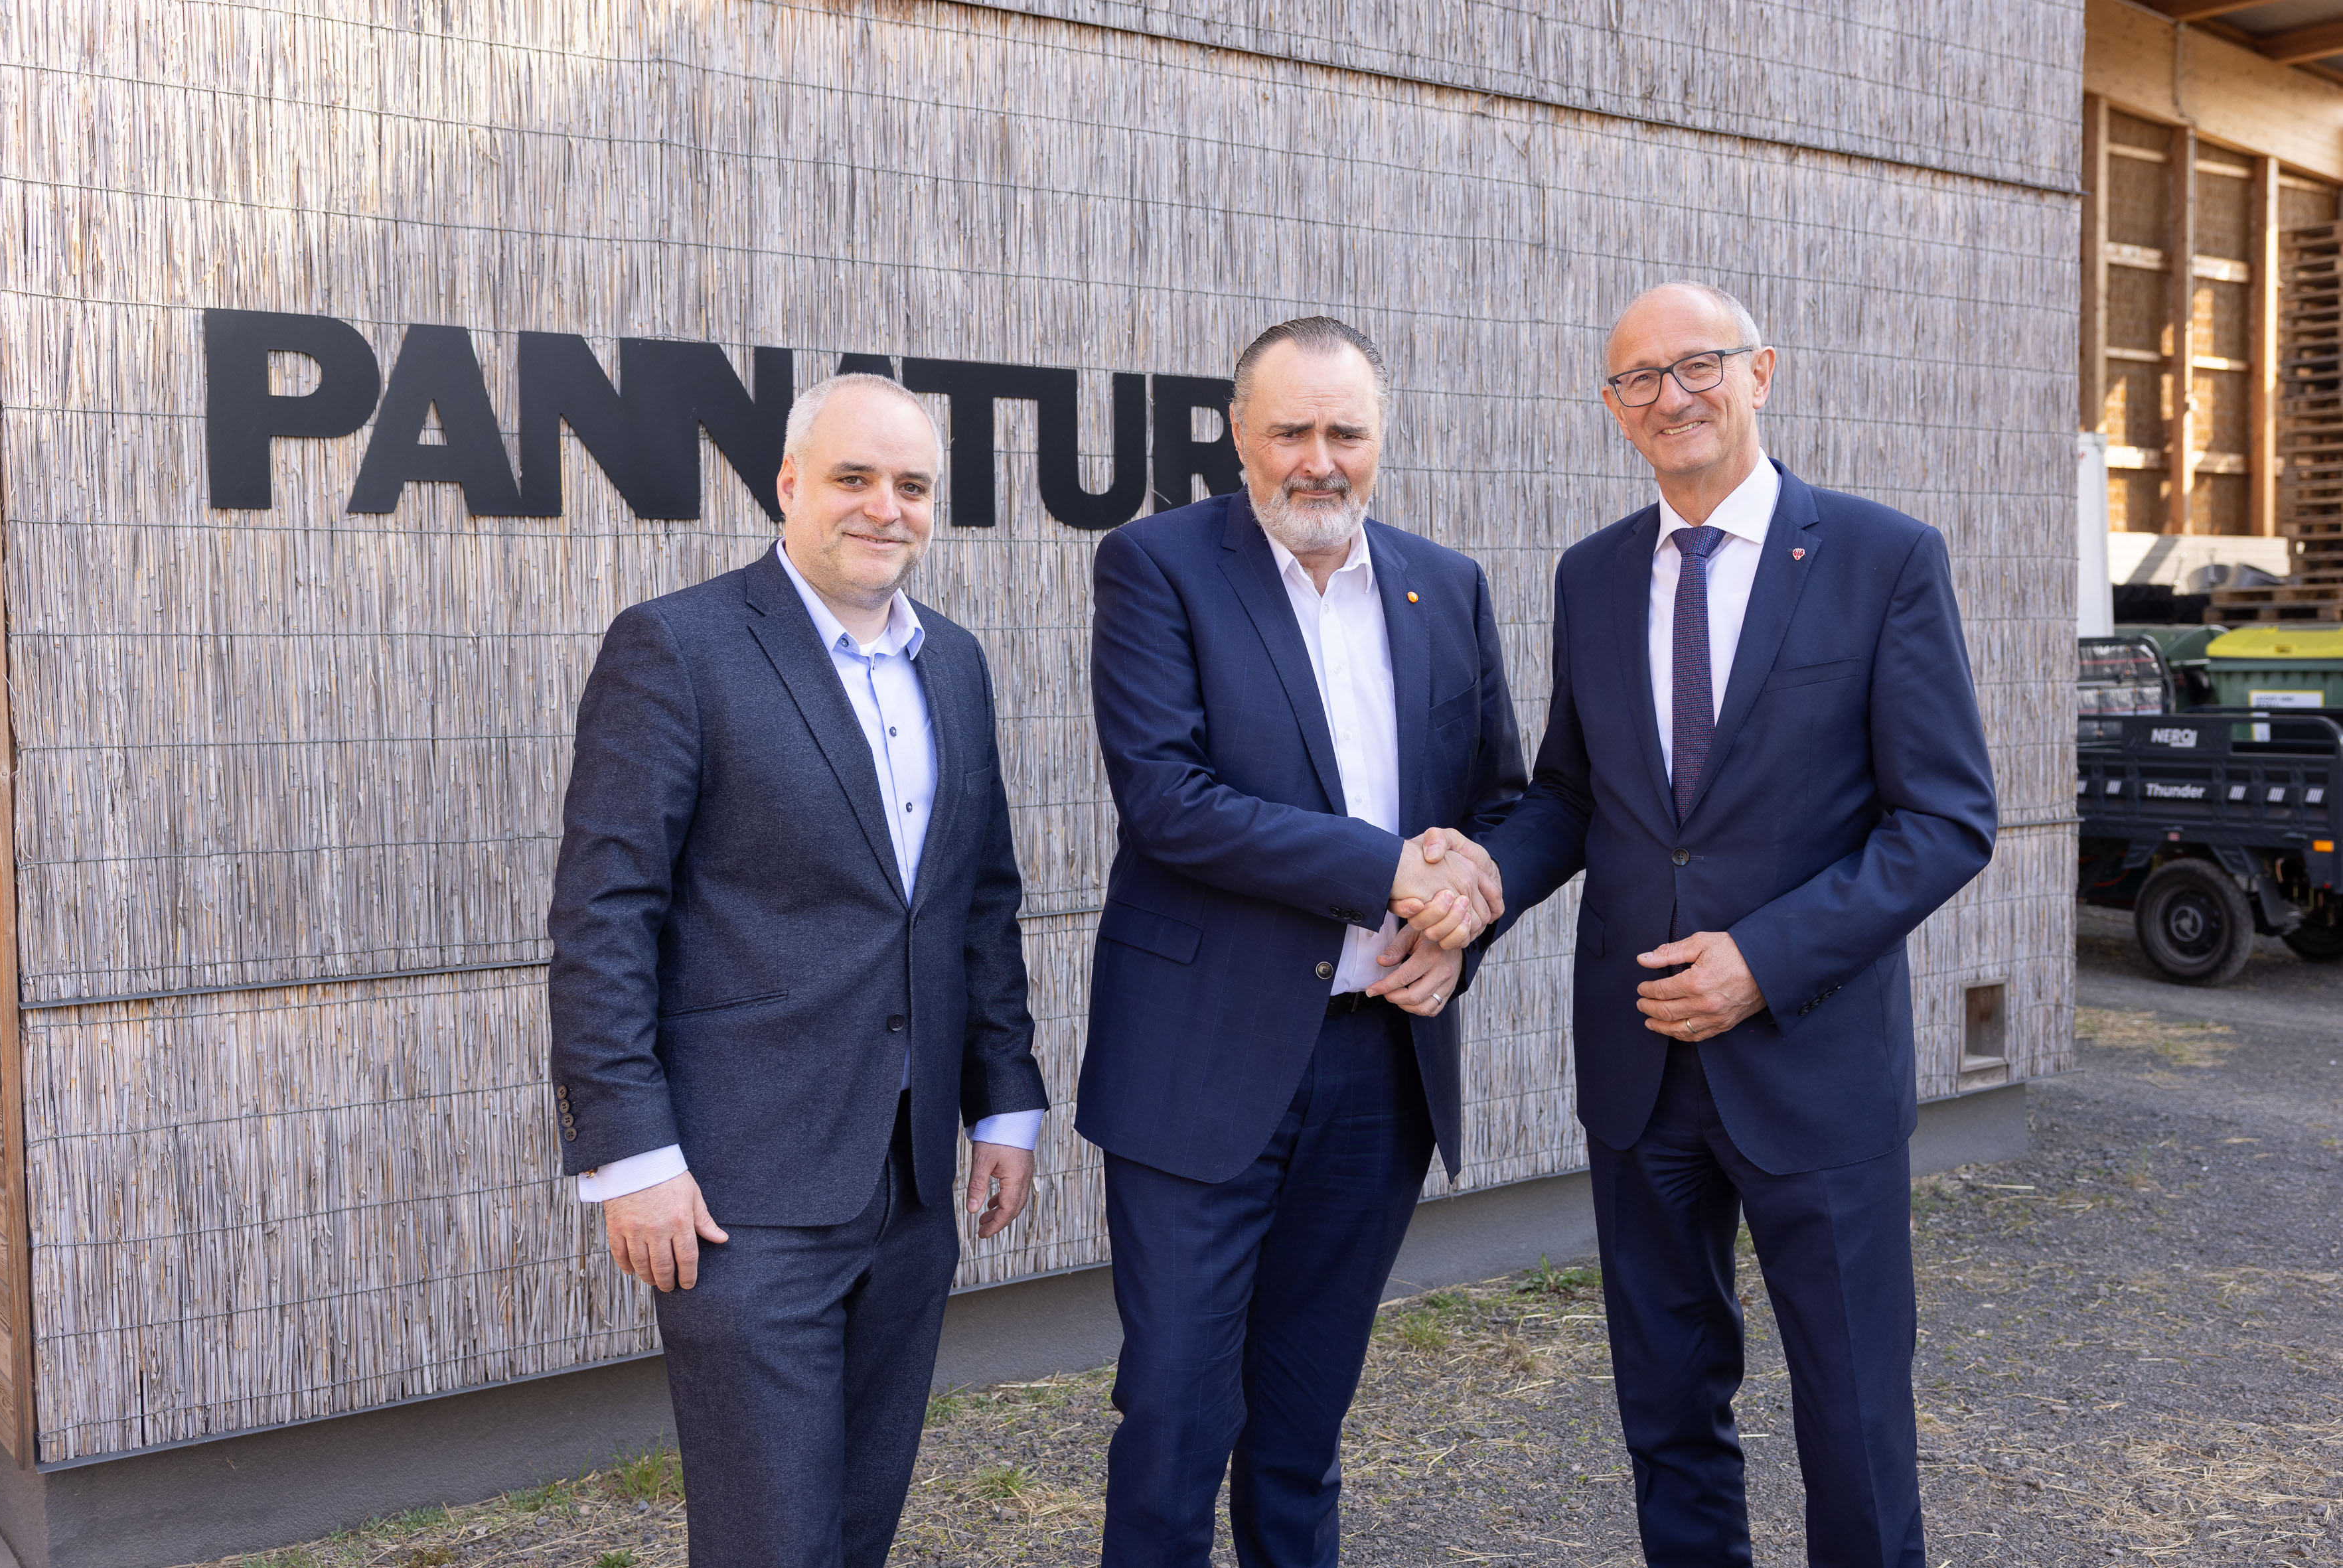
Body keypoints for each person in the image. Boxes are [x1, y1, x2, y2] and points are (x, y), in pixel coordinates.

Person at [1470, 282, 1997, 1568]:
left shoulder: (1880, 558)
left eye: (1697, 364)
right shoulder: (1592, 574)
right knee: (1666, 1411)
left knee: (1855, 1419)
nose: (1671, 396)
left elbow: (1945, 820)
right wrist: (1474, 884)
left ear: (1761, 372)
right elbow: (1573, 796)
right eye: (1637, 379)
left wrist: (1761, 961)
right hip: (1639, 1067)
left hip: (1812, 1062)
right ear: (1614, 409)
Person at [546, 373, 1050, 1568]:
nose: (885, 507)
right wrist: (630, 1157)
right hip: (740, 1190)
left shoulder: (955, 662)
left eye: (912, 485)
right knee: (768, 1541)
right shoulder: (679, 647)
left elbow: (977, 901)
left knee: (857, 1526)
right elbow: (605, 917)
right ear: (789, 485)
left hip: (914, 1181)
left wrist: (1006, 1103)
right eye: (853, 478)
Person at [1079, 316, 1528, 1567]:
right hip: (1200, 1061)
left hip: (1379, 1066)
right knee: (1173, 1419)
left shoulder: (1448, 584)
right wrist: (1389, 872)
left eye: (1346, 432)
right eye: (1291, 431)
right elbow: (1168, 801)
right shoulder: (1157, 565)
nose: (1319, 460)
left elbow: (1499, 806)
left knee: (1301, 1428)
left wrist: (1461, 927)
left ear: (1381, 439)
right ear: (1239, 435)